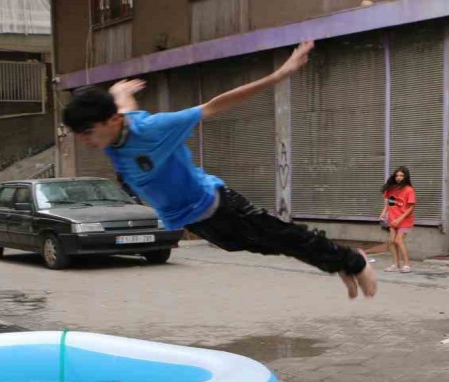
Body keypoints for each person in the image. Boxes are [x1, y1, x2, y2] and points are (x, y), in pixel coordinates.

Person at [60, 41, 376, 300]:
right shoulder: (114, 130)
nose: (86, 141)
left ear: (112, 121)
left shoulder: (154, 129)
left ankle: (353, 261)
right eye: (81, 134)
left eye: (88, 132)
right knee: (273, 246)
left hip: (220, 205)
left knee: (284, 237)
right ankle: (339, 262)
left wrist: (279, 75)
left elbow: (214, 105)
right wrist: (120, 92)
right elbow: (124, 107)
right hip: (200, 224)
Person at [381, 167, 416, 273]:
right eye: (397, 175)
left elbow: (411, 207)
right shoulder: (391, 189)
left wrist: (400, 218)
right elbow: (389, 202)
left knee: (398, 240)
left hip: (404, 220)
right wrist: (383, 212)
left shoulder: (409, 190)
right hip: (392, 219)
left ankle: (407, 265)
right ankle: (395, 264)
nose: (398, 178)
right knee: (392, 242)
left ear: (405, 177)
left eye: (401, 175)